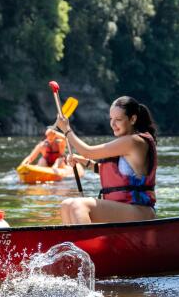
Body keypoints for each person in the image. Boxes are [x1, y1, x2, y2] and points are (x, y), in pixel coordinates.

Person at [56, 96, 157, 224]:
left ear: (132, 119)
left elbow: (88, 151)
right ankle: (73, 243)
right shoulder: (125, 142)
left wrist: (66, 130)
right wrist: (82, 161)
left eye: (118, 119)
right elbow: (107, 171)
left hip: (140, 211)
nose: (113, 124)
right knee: (67, 204)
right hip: (123, 209)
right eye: (111, 119)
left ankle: (85, 243)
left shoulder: (134, 141)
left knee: (78, 205)